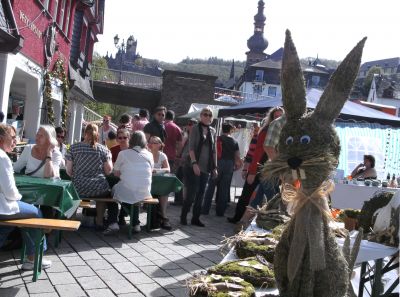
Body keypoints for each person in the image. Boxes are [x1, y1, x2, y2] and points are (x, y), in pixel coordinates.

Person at [0, 124, 51, 270]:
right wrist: (20, 197)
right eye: (13, 137)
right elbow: (10, 192)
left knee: (6, 226)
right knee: (36, 213)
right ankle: (33, 258)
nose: (16, 141)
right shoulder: (3, 158)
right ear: (1, 139)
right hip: (2, 207)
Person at [65, 123, 113, 230]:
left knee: (73, 191)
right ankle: (99, 221)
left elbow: (68, 171)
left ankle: (71, 221)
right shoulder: (103, 149)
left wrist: (78, 175)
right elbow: (109, 171)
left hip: (78, 187)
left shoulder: (73, 148)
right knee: (104, 195)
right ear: (98, 135)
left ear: (84, 133)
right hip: (97, 188)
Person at [108, 131, 154, 234]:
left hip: (130, 189)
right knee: (131, 192)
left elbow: (115, 172)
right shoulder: (149, 154)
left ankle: (113, 221)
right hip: (145, 191)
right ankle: (134, 222)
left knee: (113, 192)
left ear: (131, 140)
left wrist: (125, 174)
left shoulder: (123, 153)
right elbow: (151, 170)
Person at [180, 107, 217, 227]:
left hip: (206, 167)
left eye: (209, 115)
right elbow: (191, 148)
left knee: (201, 193)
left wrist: (215, 167)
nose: (207, 117)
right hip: (192, 166)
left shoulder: (213, 130)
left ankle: (195, 218)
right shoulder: (195, 128)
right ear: (200, 116)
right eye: (205, 114)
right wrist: (194, 163)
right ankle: (184, 215)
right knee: (191, 193)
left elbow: (214, 151)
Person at [202, 122, 242, 216]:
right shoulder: (234, 141)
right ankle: (220, 212)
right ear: (230, 130)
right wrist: (237, 166)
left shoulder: (218, 139)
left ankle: (205, 210)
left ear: (222, 129)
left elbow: (212, 152)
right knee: (224, 189)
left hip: (218, 162)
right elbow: (237, 156)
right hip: (229, 164)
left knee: (211, 187)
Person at [227, 122, 260, 223]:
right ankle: (238, 218)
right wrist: (246, 169)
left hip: (268, 171)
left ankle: (253, 221)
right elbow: (250, 153)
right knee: (246, 194)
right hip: (255, 169)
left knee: (259, 197)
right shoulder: (259, 135)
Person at [148, 136, 172, 230]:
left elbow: (168, 169)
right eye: (150, 142)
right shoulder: (147, 154)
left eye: (154, 142)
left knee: (164, 192)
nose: (151, 144)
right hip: (148, 181)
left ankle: (164, 215)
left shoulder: (162, 155)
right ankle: (162, 217)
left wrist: (156, 171)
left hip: (158, 181)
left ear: (159, 145)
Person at [173, 118, 198, 205]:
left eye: (191, 124)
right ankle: (179, 200)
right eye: (189, 124)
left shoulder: (195, 136)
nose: (188, 126)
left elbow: (192, 151)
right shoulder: (188, 135)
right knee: (180, 180)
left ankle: (185, 200)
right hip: (183, 162)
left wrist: (183, 158)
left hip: (188, 163)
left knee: (186, 183)